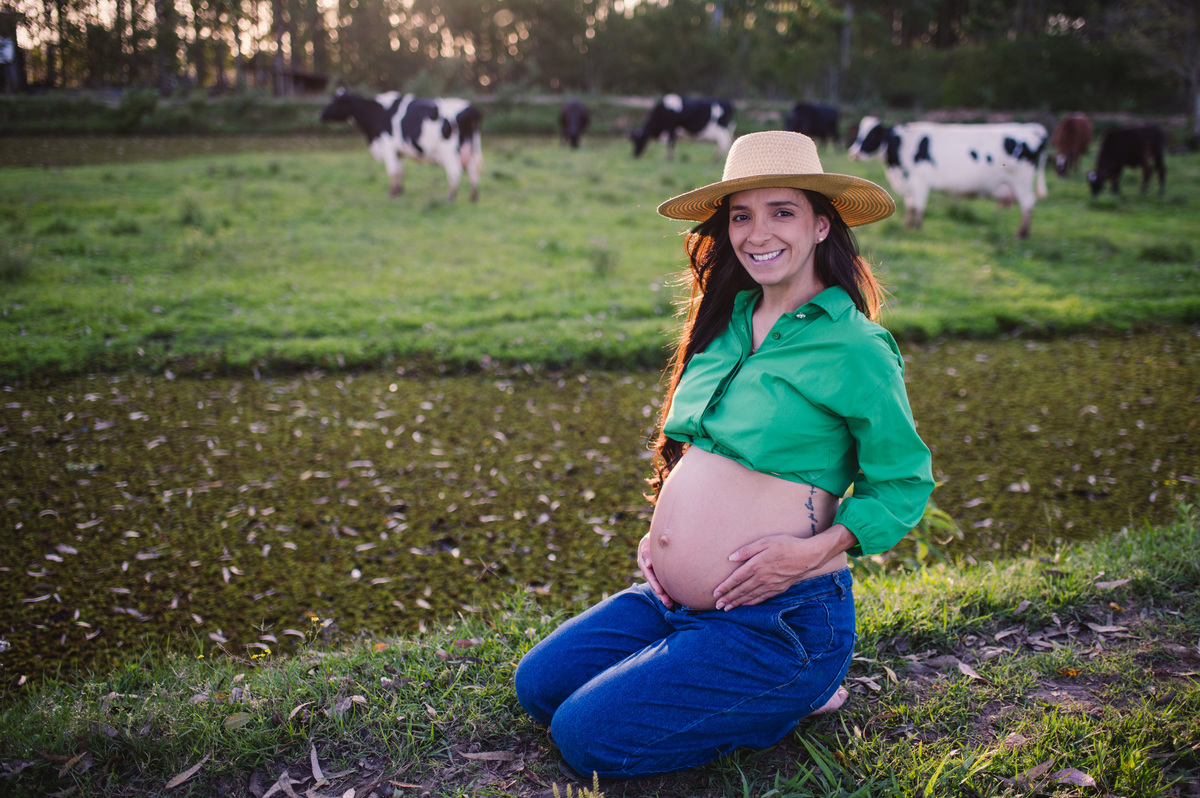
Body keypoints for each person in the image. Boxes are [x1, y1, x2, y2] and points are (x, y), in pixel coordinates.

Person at [514, 130, 935, 783]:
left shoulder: (856, 347)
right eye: (741, 215)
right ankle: (694, 659)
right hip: (674, 603)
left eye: (781, 212)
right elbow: (700, 456)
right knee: (538, 685)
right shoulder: (726, 322)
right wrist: (664, 541)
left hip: (779, 617)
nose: (757, 231)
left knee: (583, 736)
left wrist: (812, 551)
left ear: (822, 225)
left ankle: (793, 692)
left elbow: (903, 484)